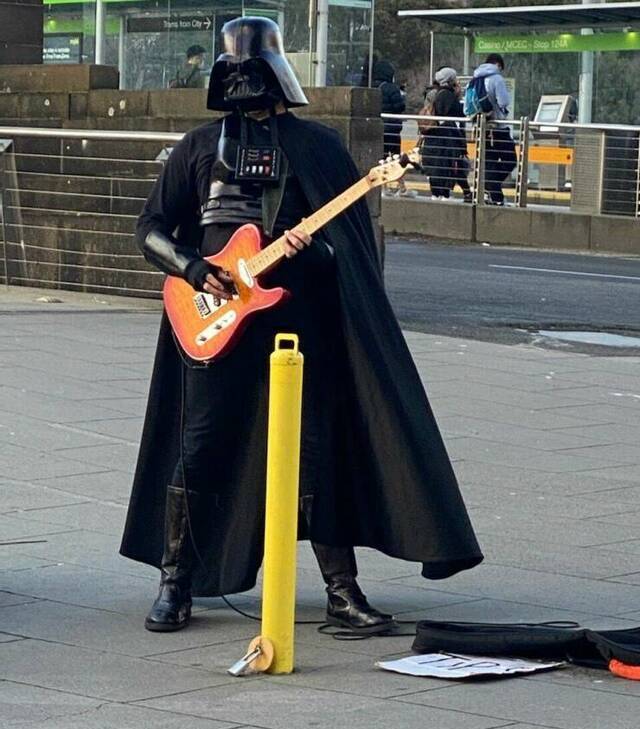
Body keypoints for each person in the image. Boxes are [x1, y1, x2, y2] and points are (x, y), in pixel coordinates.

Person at [121, 17, 482, 635]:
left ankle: (342, 589)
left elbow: (349, 249)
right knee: (199, 446)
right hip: (217, 325)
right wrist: (194, 267)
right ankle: (175, 581)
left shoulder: (319, 147)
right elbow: (150, 228)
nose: (243, 83)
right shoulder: (198, 147)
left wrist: (308, 251)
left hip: (299, 324)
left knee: (316, 449)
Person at [419, 67, 472, 202]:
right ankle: (446, 194)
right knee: (447, 164)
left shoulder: (433, 93)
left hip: (433, 136)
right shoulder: (447, 95)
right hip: (446, 137)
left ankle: (437, 193)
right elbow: (459, 113)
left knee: (436, 165)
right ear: (450, 80)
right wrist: (458, 96)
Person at [472, 53, 517, 205]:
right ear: (498, 64)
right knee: (510, 160)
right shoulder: (497, 78)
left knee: (489, 162)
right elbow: (504, 102)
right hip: (498, 127)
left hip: (482, 127)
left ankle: (493, 194)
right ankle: (492, 190)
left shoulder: (476, 78)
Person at [373, 60, 410, 195]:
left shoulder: (372, 87)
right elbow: (399, 106)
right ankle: (401, 186)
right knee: (396, 158)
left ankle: (383, 187)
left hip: (378, 127)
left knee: (382, 159)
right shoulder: (391, 88)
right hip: (392, 128)